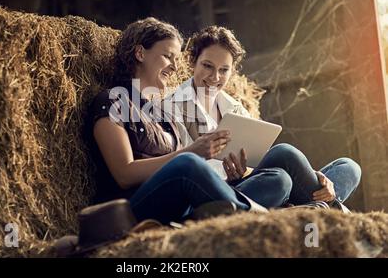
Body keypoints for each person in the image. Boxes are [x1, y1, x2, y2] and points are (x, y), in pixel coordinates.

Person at [86, 18, 292, 224]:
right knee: (187, 163)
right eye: (168, 56)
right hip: (136, 208)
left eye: (177, 59)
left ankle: (224, 214)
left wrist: (232, 176)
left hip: (183, 206)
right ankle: (254, 218)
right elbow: (124, 174)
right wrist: (192, 152)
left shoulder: (162, 112)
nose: (175, 67)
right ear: (140, 53)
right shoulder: (114, 100)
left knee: (278, 178)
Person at [167, 25, 361, 209]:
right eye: (207, 66)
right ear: (192, 61)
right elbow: (180, 170)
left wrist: (310, 175)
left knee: (349, 167)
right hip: (220, 192)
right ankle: (330, 209)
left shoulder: (233, 107)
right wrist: (232, 176)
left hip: (248, 182)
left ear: (232, 71)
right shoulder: (173, 105)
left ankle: (318, 205)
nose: (215, 77)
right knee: (281, 168)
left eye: (224, 70)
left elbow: (256, 164)